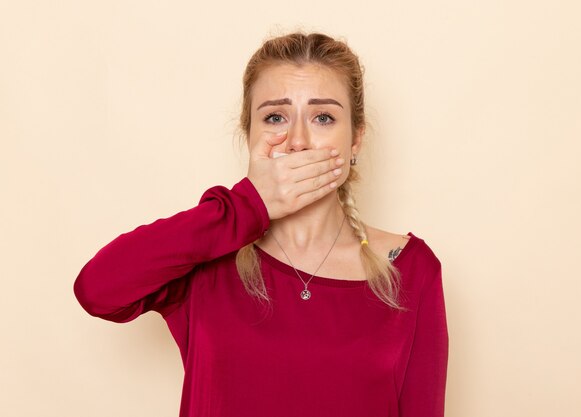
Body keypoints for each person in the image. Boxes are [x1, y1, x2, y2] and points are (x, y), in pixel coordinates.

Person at [74, 31, 449, 417]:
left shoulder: (410, 269)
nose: (297, 141)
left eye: (323, 117)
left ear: (355, 139)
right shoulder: (207, 257)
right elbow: (97, 289)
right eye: (275, 117)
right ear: (248, 135)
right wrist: (246, 205)